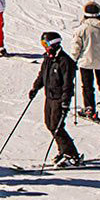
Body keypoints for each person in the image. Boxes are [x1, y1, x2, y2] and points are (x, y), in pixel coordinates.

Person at [29, 31, 83, 165]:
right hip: (50, 96)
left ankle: (72, 155)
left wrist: (65, 100)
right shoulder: (48, 58)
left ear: (53, 44)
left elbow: (68, 83)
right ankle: (63, 151)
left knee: (56, 126)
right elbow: (42, 75)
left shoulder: (65, 61)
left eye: (45, 44)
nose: (44, 47)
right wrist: (35, 88)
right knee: (49, 124)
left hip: (59, 98)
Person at [71, 2, 100, 121]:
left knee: (87, 86)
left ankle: (89, 109)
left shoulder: (81, 29)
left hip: (85, 62)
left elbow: (76, 47)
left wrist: (73, 59)